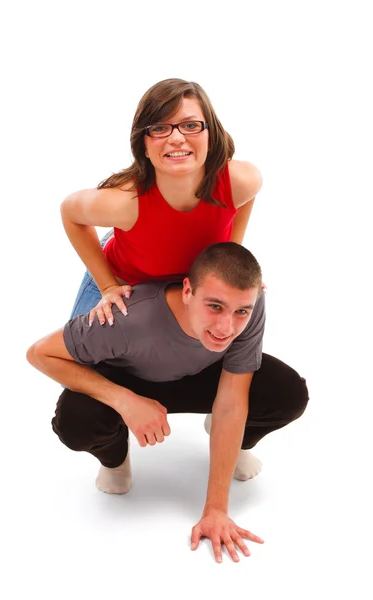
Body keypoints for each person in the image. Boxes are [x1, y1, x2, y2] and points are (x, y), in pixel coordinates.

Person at [27, 242, 308, 564]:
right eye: (214, 306)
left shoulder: (249, 306)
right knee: (76, 422)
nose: (226, 327)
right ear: (187, 290)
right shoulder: (128, 318)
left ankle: (230, 438)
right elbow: (39, 353)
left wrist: (216, 509)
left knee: (288, 394)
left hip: (200, 370)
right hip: (129, 374)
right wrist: (124, 400)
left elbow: (232, 401)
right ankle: (115, 460)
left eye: (240, 311)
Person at [61, 78, 263, 327]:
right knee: (80, 357)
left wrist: (231, 258)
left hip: (185, 284)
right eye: (159, 128)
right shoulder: (125, 203)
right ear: (144, 145)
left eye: (190, 125)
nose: (177, 138)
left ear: (211, 135)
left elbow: (247, 199)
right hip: (124, 276)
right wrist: (108, 286)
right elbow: (70, 212)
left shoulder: (240, 181)